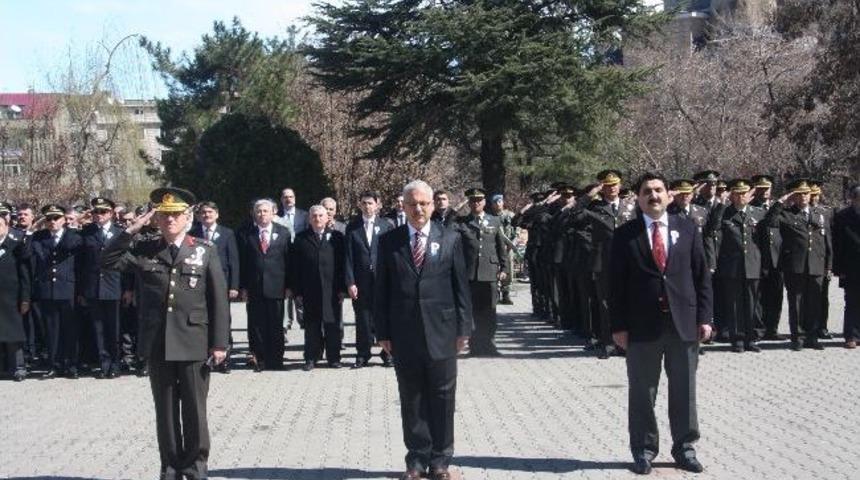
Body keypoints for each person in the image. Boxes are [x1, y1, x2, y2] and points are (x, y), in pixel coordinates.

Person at [101, 187, 229, 480]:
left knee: (194, 411)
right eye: (164, 215)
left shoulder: (204, 250)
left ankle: (195, 467)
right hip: (158, 342)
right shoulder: (145, 249)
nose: (170, 220)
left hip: (194, 341)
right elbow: (107, 261)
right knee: (166, 411)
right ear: (156, 219)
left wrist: (219, 343)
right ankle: (170, 468)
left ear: (187, 217)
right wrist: (131, 229)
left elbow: (218, 300)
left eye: (175, 215)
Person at [610, 172, 713, 475]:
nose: (653, 196)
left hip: (684, 323)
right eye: (646, 192)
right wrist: (618, 326)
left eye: (658, 190)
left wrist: (705, 318)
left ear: (669, 195)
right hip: (642, 326)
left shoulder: (688, 228)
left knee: (684, 390)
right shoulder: (625, 235)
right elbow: (614, 285)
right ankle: (643, 450)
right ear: (638, 198)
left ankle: (685, 448)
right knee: (643, 392)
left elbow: (702, 276)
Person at [374, 180, 473, 480]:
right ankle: (416, 460)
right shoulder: (389, 241)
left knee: (443, 398)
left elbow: (461, 287)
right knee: (412, 397)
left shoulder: (450, 238)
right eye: (412, 204)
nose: (418, 209)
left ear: (432, 205)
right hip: (404, 333)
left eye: (424, 203)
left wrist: (464, 328)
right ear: (403, 206)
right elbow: (381, 290)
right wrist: (382, 332)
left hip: (443, 332)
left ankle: (440, 460)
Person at [572, 170, 637, 359]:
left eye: (614, 184)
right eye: (607, 186)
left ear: (620, 185)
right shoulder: (595, 207)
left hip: (628, 261)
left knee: (628, 302)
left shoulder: (630, 206)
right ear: (602, 188)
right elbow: (575, 216)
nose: (612, 188)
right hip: (604, 262)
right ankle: (609, 343)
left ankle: (626, 343)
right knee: (605, 303)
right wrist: (589, 195)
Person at [763, 179, 832, 351]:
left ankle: (812, 336)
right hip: (795, 266)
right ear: (793, 196)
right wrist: (781, 201)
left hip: (816, 264)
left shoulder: (820, 214)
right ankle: (798, 337)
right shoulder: (787, 214)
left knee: (814, 303)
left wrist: (829, 265)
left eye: (806, 193)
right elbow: (769, 221)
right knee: (796, 303)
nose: (804, 197)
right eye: (799, 194)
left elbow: (827, 242)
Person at [704, 180, 765, 353]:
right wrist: (721, 204)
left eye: (744, 193)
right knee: (735, 305)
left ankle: (751, 339)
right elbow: (713, 228)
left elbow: (764, 238)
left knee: (753, 305)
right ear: (732, 195)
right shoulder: (725, 213)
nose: (741, 197)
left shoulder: (757, 213)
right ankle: (737, 339)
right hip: (732, 266)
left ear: (749, 194)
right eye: (737, 193)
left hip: (752, 264)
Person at [289, 205, 346, 370]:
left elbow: (342, 264)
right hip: (309, 289)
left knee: (332, 325)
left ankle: (334, 358)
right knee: (311, 326)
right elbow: (295, 267)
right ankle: (311, 358)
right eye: (314, 216)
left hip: (332, 290)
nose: (317, 218)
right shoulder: (301, 238)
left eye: (321, 215)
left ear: (327, 218)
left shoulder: (337, 237)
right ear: (309, 219)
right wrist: (297, 291)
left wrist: (342, 289)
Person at [238, 199, 291, 371]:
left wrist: (289, 286)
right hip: (254, 287)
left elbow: (288, 260)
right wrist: (243, 287)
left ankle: (276, 360)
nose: (262, 214)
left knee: (276, 325)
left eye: (265, 211)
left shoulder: (283, 232)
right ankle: (259, 359)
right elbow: (242, 262)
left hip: (277, 287)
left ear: (273, 212)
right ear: (254, 214)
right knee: (256, 326)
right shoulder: (246, 234)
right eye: (258, 211)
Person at [344, 191, 395, 368]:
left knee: (385, 317)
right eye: (364, 203)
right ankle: (362, 354)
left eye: (370, 203)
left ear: (377, 205)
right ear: (360, 205)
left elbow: (392, 255)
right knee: (362, 319)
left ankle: (387, 353)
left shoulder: (386, 226)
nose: (367, 207)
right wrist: (350, 282)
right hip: (361, 281)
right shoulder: (352, 227)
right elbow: (348, 257)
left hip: (382, 280)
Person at [455, 188, 508, 356]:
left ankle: (489, 345)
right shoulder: (462, 222)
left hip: (489, 272)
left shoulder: (494, 221)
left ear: (484, 202)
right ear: (469, 203)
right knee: (471, 311)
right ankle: (474, 346)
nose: (476, 203)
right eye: (472, 200)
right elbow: (450, 230)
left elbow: (500, 246)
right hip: (469, 273)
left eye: (479, 200)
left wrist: (504, 268)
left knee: (489, 311)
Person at [32, 204, 83, 379]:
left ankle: (71, 365)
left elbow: (68, 246)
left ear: (63, 220)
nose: (52, 222)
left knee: (70, 329)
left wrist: (70, 228)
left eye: (56, 218)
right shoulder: (39, 236)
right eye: (48, 219)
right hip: (47, 289)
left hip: (67, 288)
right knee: (51, 330)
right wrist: (32, 229)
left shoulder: (73, 235)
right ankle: (54, 365)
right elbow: (31, 253)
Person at [189, 201, 240, 373]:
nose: (207, 215)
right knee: (203, 321)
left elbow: (234, 261)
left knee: (223, 321)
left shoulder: (227, 233)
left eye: (210, 212)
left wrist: (234, 286)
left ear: (217, 214)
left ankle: (225, 360)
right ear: (198, 216)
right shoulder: (193, 234)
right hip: (200, 285)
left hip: (222, 284)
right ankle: (206, 358)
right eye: (203, 212)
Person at [76, 197, 124, 378]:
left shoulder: (119, 232)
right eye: (96, 211)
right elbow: (80, 264)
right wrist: (81, 290)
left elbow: (126, 262)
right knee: (98, 328)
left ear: (111, 213)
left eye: (103, 211)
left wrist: (128, 288)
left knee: (114, 328)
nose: (99, 215)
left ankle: (116, 363)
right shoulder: (86, 232)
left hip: (113, 285)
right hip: (93, 287)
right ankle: (104, 364)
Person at [750, 175, 784, 340]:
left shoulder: (779, 208)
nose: (764, 191)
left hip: (777, 258)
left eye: (767, 188)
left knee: (776, 295)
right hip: (759, 258)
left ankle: (772, 329)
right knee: (759, 296)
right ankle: (758, 330)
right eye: (761, 188)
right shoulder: (750, 209)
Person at [0, 204, 31, 382]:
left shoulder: (15, 246)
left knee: (14, 334)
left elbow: (24, 275)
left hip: (12, 298)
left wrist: (25, 298)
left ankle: (19, 367)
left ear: (6, 227)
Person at [832, 184, 860, 349]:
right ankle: (851, 335)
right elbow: (837, 244)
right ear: (853, 199)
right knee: (852, 301)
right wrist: (838, 269)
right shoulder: (842, 216)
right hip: (851, 267)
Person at [489, 194, 517, 305]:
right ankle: (495, 294)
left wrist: (511, 244)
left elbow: (516, 231)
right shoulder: (489, 217)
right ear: (492, 204)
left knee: (508, 269)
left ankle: (506, 294)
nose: (498, 204)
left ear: (503, 202)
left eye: (499, 201)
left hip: (508, 247)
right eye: (495, 202)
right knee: (494, 269)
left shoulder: (510, 215)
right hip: (494, 248)